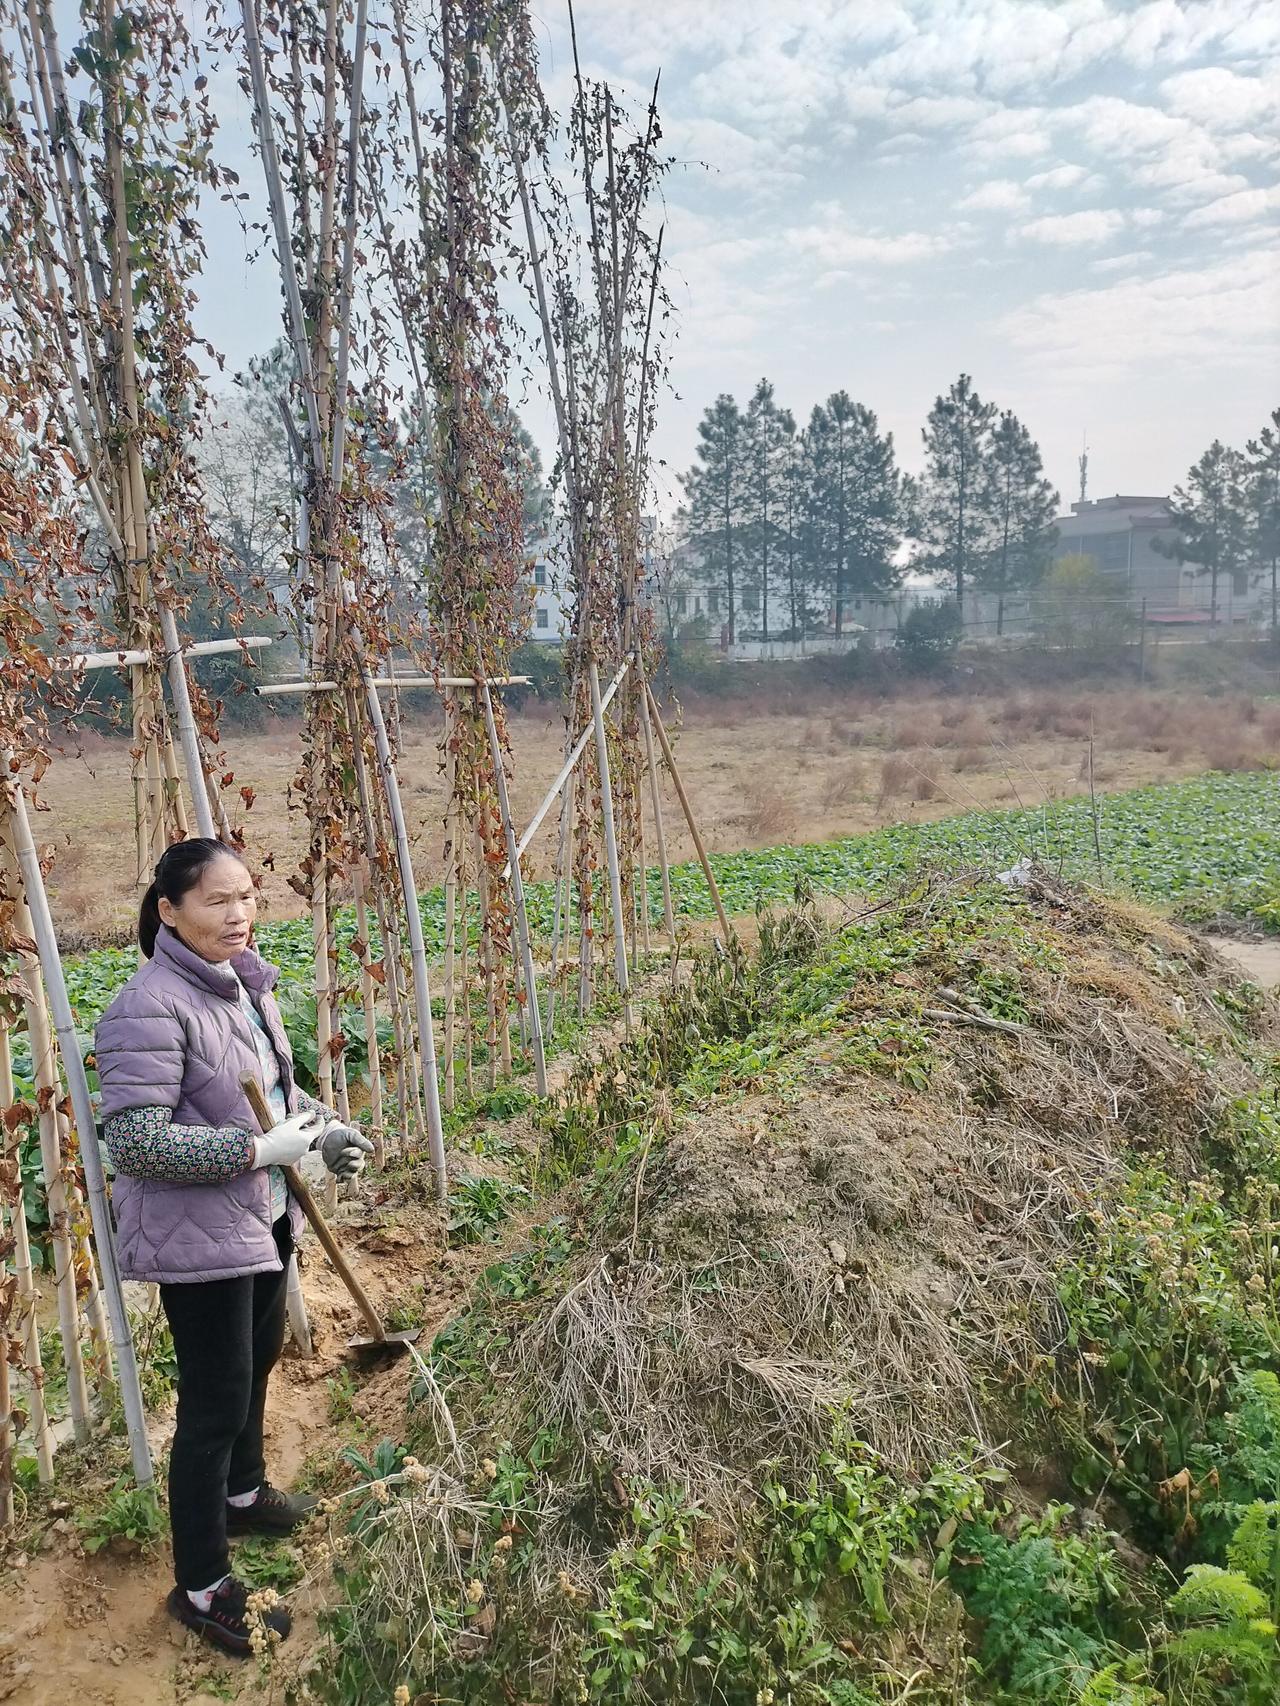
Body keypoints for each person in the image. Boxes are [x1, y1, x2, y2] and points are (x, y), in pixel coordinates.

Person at [94, 838, 374, 1656]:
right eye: (217, 901)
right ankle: (202, 1586)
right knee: (213, 1405)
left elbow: (280, 1095)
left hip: (261, 1221)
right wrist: (258, 1152)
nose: (239, 914)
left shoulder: (246, 988)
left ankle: (243, 1496)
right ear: (169, 911)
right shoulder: (147, 1006)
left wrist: (322, 1131)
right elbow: (139, 1143)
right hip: (200, 1244)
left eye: (247, 896)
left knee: (258, 1365)